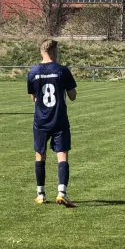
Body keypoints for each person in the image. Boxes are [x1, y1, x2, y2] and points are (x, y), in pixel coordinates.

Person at [27, 39, 77, 207]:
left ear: (41, 52)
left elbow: (33, 97)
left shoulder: (33, 72)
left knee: (40, 155)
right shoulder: (62, 70)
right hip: (59, 119)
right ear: (54, 52)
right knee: (62, 155)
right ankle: (61, 192)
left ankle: (40, 194)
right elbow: (72, 96)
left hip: (40, 120)